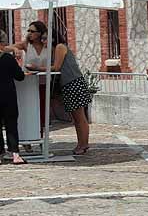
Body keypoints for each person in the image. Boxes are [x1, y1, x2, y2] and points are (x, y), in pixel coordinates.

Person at [6, 22, 92, 155]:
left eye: (33, 31)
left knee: (78, 116)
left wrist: (36, 68)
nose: (29, 33)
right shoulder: (33, 45)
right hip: (54, 84)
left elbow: (56, 67)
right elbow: (7, 48)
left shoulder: (58, 47)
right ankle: (82, 144)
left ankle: (83, 144)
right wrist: (14, 50)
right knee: (76, 117)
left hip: (70, 82)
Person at [0, 31, 25, 165]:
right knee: (11, 124)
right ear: (3, 43)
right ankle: (15, 154)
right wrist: (19, 63)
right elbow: (20, 76)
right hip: (8, 96)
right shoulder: (8, 58)